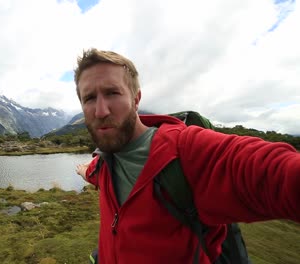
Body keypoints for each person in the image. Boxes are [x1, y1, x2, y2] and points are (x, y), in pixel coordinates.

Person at [74, 48, 300, 264]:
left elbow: (277, 172)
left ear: (135, 99)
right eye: (89, 98)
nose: (101, 111)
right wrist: (83, 170)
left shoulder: (187, 151)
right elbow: (92, 172)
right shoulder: (104, 161)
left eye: (112, 93)